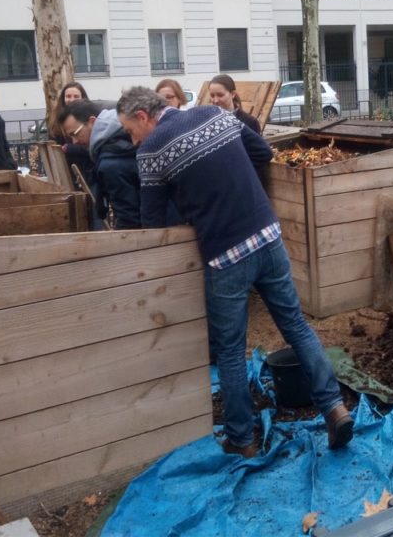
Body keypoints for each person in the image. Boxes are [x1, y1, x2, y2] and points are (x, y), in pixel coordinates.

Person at [116, 87, 353, 458]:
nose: (132, 140)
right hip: (268, 236)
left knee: (229, 351)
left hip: (225, 255)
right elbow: (261, 152)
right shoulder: (215, 114)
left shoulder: (151, 150)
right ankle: (334, 408)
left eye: (130, 130)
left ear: (144, 117)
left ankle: (243, 439)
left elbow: (152, 221)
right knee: (296, 326)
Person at [57, 100, 141, 229]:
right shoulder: (125, 135)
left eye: (75, 133)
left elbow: (129, 218)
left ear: (92, 122)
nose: (74, 141)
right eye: (70, 137)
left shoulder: (110, 164)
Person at [50, 81, 94, 182]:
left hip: (86, 170)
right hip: (65, 172)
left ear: (83, 98)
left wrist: (71, 149)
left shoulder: (88, 117)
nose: (72, 99)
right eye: (68, 96)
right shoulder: (55, 121)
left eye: (76, 96)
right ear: (63, 98)